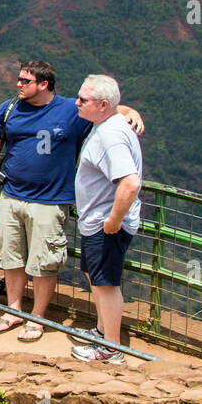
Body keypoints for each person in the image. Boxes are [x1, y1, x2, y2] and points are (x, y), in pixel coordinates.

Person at [0, 60, 144, 342]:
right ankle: (14, 308)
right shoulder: (9, 109)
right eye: (19, 79)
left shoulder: (70, 109)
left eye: (25, 80)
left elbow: (105, 109)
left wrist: (130, 111)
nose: (18, 84)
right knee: (11, 257)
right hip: (12, 195)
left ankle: (37, 317)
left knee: (44, 262)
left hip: (51, 201)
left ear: (44, 84)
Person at [70, 75, 142, 365]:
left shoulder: (111, 136)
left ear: (102, 105)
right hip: (97, 222)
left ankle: (111, 350)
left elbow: (130, 183)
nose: (76, 102)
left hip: (105, 224)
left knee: (106, 285)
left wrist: (113, 221)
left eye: (83, 100)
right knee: (95, 277)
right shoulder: (108, 123)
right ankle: (102, 332)